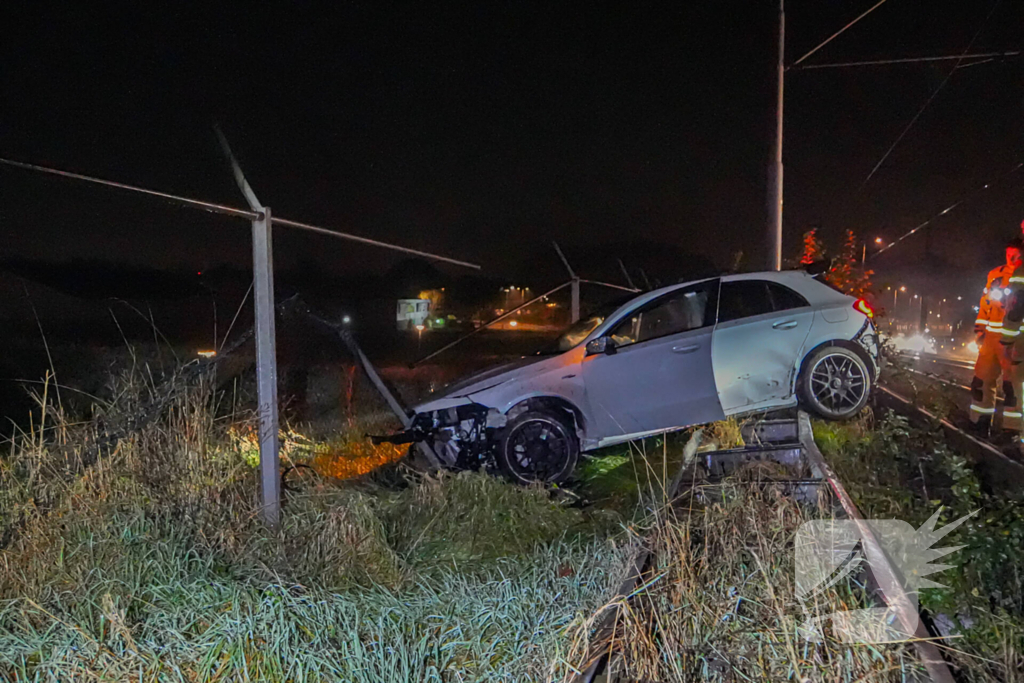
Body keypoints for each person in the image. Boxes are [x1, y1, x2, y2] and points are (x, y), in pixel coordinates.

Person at [970, 237, 1024, 438]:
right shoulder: (995, 274)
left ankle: (1012, 431)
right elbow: (985, 304)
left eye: (1016, 255)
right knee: (981, 382)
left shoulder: (1021, 275)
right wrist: (980, 330)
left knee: (1012, 387)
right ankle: (980, 424)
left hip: (1015, 340)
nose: (1011, 258)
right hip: (991, 339)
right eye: (1008, 254)